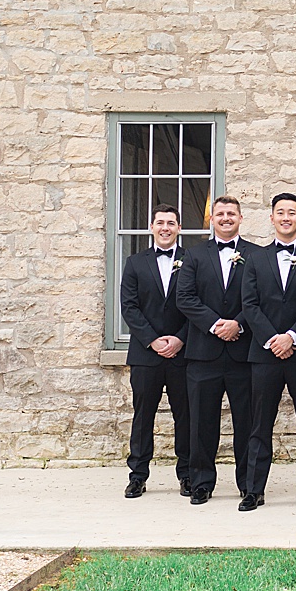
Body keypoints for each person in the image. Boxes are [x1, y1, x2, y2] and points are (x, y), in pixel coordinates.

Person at [174, 195, 256, 505]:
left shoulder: (255, 255)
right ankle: (201, 482)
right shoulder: (194, 256)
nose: (225, 218)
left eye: (231, 213)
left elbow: (260, 298)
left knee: (246, 422)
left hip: (243, 353)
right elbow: (185, 298)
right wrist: (215, 324)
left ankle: (249, 483)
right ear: (212, 218)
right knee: (201, 422)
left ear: (240, 218)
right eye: (220, 213)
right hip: (203, 353)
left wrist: (238, 324)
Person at [239, 192, 296, 511]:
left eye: (292, 212)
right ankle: (253, 489)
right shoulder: (255, 258)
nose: (286, 217)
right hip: (264, 354)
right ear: (271, 218)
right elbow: (249, 303)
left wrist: (293, 336)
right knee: (259, 424)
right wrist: (273, 338)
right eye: (280, 212)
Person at [119, 203, 190, 498]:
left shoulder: (192, 259)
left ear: (179, 228)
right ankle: (137, 475)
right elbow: (129, 306)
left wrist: (180, 338)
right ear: (152, 227)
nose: (165, 228)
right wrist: (152, 340)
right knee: (143, 415)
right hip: (145, 354)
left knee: (186, 415)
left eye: (171, 223)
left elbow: (198, 304)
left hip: (182, 352)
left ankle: (187, 474)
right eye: (160, 222)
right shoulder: (136, 262)